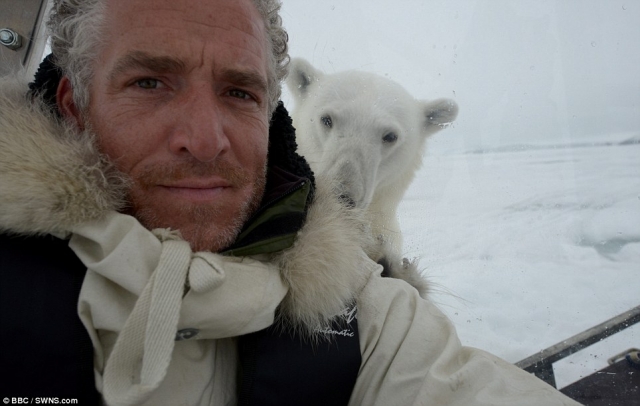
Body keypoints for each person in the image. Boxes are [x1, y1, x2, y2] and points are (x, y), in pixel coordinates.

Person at [0, 0, 581, 405]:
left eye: (238, 92)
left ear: (269, 113)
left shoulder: (360, 311)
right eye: (150, 82)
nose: (205, 140)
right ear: (73, 104)